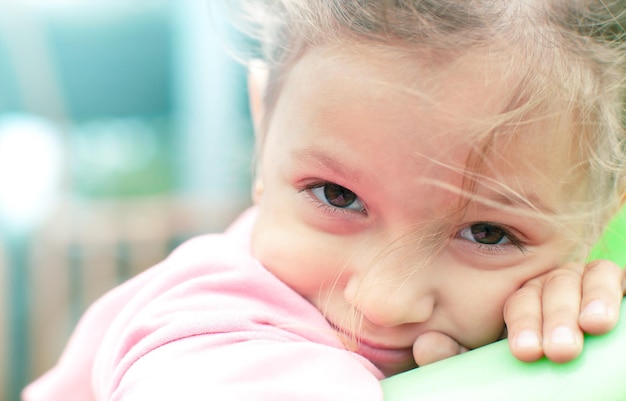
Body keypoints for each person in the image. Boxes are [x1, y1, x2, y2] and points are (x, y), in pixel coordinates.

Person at [23, 1, 626, 400]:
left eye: (490, 234)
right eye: (337, 197)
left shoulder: (566, 311)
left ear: (601, 216)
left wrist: (580, 335)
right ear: (264, 130)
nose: (387, 304)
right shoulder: (207, 326)